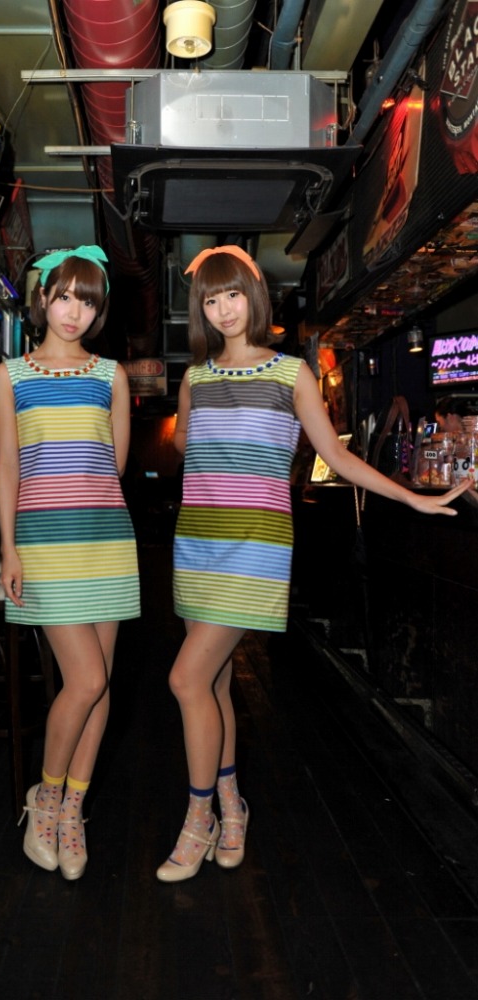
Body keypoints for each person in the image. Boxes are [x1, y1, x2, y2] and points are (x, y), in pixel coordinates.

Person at [156, 245, 470, 883]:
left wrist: (413, 495)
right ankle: (233, 807)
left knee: (186, 680)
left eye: (233, 294)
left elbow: (338, 456)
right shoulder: (195, 379)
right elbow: (187, 442)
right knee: (213, 684)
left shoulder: (291, 373)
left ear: (254, 295)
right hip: (199, 541)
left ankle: (198, 820)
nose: (223, 309)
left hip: (255, 545)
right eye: (211, 299)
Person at [0, 245, 140, 880]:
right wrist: (9, 547)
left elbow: (115, 466)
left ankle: (72, 811)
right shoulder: (10, 375)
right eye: (63, 297)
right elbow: (9, 468)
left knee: (100, 684)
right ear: (43, 300)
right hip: (43, 546)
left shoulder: (112, 376)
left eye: (86, 301)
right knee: (84, 680)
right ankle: (45, 799)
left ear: (98, 311)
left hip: (105, 542)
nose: (74, 311)